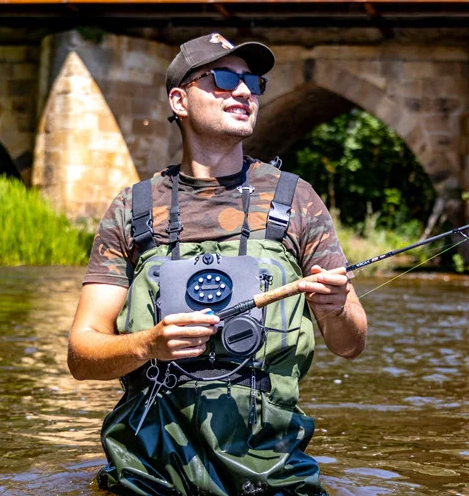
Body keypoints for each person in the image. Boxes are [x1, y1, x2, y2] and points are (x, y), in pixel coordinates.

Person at [67, 32, 367, 496]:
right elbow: (82, 355)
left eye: (254, 83)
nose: (245, 91)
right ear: (180, 100)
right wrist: (148, 344)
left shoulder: (296, 199)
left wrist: (335, 306)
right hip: (149, 476)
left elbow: (351, 345)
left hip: (271, 478)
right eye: (224, 78)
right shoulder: (133, 208)